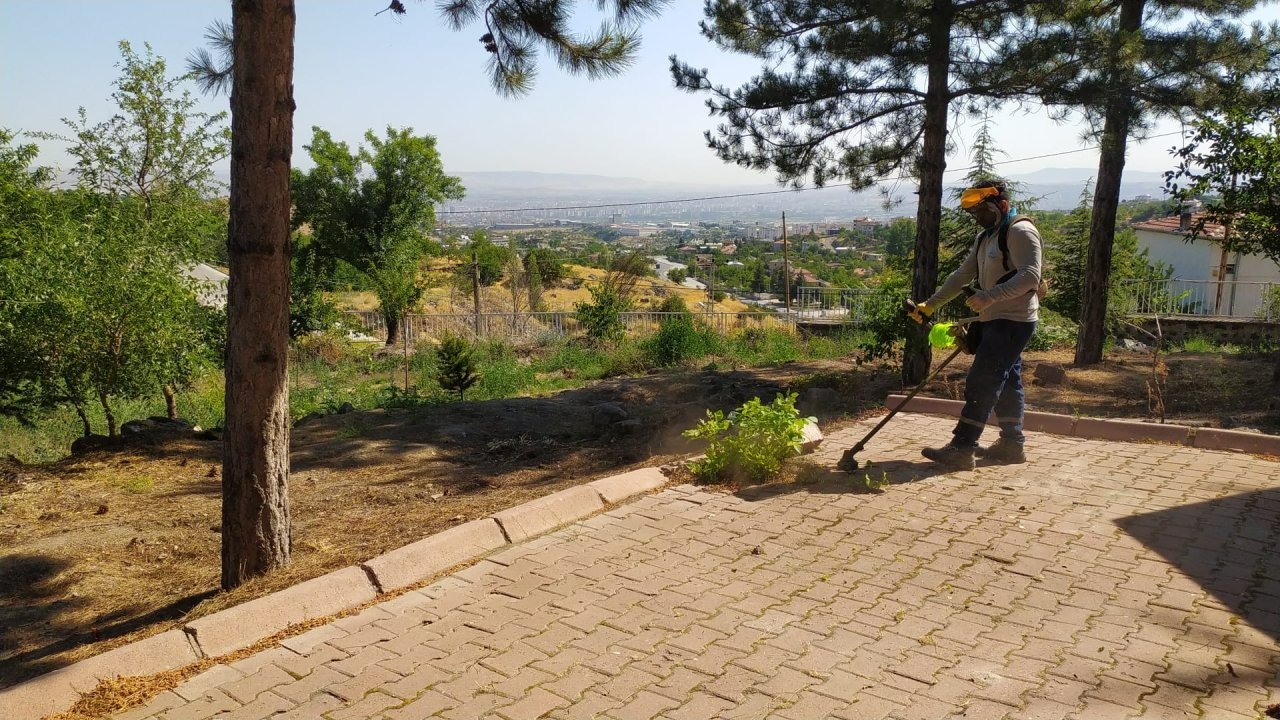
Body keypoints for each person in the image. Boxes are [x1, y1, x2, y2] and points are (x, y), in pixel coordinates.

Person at [911, 178, 1043, 470]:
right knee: (1007, 381)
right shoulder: (986, 238)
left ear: (1002, 205)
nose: (977, 218)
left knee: (982, 380)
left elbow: (1031, 276)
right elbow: (961, 276)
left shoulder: (1020, 231)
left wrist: (989, 297)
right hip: (993, 319)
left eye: (982, 211)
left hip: (1014, 321)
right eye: (974, 214)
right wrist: (930, 304)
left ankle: (962, 447)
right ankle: (1012, 445)